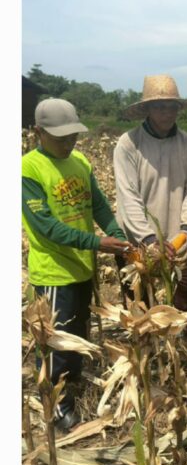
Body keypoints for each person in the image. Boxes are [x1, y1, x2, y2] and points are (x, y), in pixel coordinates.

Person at [22, 99, 130, 431]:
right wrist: (98, 243)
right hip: (54, 273)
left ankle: (74, 390)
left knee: (77, 337)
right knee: (55, 344)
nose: (69, 142)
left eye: (73, 135)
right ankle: (57, 409)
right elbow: (47, 227)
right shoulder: (28, 169)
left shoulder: (79, 161)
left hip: (83, 269)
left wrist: (115, 234)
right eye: (61, 137)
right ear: (39, 132)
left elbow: (97, 204)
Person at [113, 75, 187, 347]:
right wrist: (149, 239)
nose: (166, 112)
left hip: (176, 240)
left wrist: (186, 230)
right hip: (137, 240)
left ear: (178, 108)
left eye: (171, 106)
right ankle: (146, 360)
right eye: (159, 106)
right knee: (140, 308)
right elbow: (128, 196)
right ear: (147, 109)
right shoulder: (129, 144)